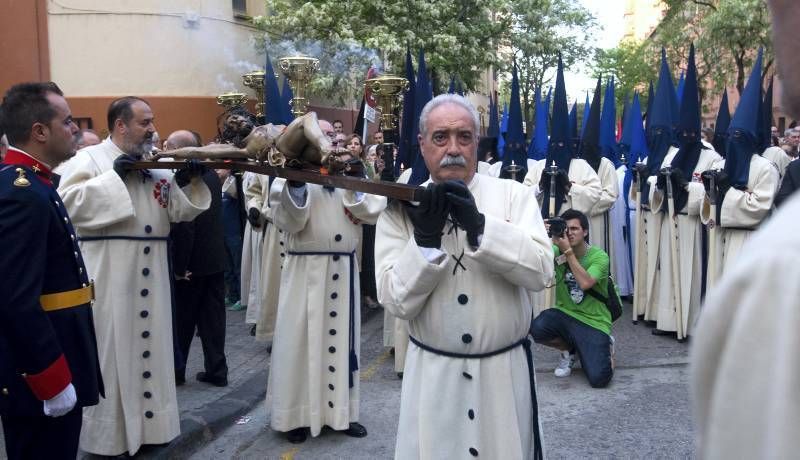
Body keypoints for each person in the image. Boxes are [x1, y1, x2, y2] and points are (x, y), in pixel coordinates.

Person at [375, 94, 553, 459]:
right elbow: (394, 300)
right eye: (440, 137)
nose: (453, 148)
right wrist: (423, 243)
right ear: (422, 145)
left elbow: (541, 271)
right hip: (434, 380)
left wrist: (483, 228)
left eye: (464, 137)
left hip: (501, 380)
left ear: (477, 144)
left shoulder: (514, 196)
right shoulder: (401, 209)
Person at [56, 97, 211, 456]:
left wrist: (187, 181)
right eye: (144, 122)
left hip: (152, 274)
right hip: (110, 276)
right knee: (113, 355)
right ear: (120, 125)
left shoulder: (156, 164)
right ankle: (108, 439)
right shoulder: (86, 160)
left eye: (152, 121)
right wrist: (115, 179)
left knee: (151, 352)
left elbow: (177, 211)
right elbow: (66, 204)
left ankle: (153, 429)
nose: (153, 129)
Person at [691, 3, 800, 455]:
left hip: (745, 241)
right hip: (724, 243)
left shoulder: (765, 169)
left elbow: (757, 206)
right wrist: (708, 194)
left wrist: (724, 198)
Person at [0, 82, 104, 460]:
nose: (74, 128)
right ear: (39, 131)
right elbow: (14, 299)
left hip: (61, 345)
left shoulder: (36, 183)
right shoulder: (22, 191)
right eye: (67, 121)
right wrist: (51, 379)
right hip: (41, 365)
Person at [266, 119, 386, 443]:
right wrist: (296, 184)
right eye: (325, 136)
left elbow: (372, 212)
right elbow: (289, 220)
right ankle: (294, 416)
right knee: (299, 344)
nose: (332, 141)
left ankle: (340, 414)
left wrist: (356, 181)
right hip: (307, 271)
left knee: (340, 346)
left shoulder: (345, 174)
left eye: (333, 136)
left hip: (344, 271)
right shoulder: (285, 176)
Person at [166, 130, 229, 387]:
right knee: (213, 322)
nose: (164, 148)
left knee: (183, 322)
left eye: (169, 146)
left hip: (191, 266)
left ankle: (177, 372)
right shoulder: (210, 174)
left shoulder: (184, 178)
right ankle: (217, 371)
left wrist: (179, 267)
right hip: (215, 261)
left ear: (182, 151)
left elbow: (185, 226)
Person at [530, 209, 613, 387]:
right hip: (565, 314)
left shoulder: (599, 256)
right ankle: (568, 350)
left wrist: (568, 252)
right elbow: (532, 255)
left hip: (594, 321)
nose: (569, 233)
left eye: (574, 229)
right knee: (536, 328)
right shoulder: (555, 249)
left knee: (599, 379)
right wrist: (537, 230)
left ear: (585, 232)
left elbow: (585, 283)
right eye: (565, 228)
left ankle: (606, 345)